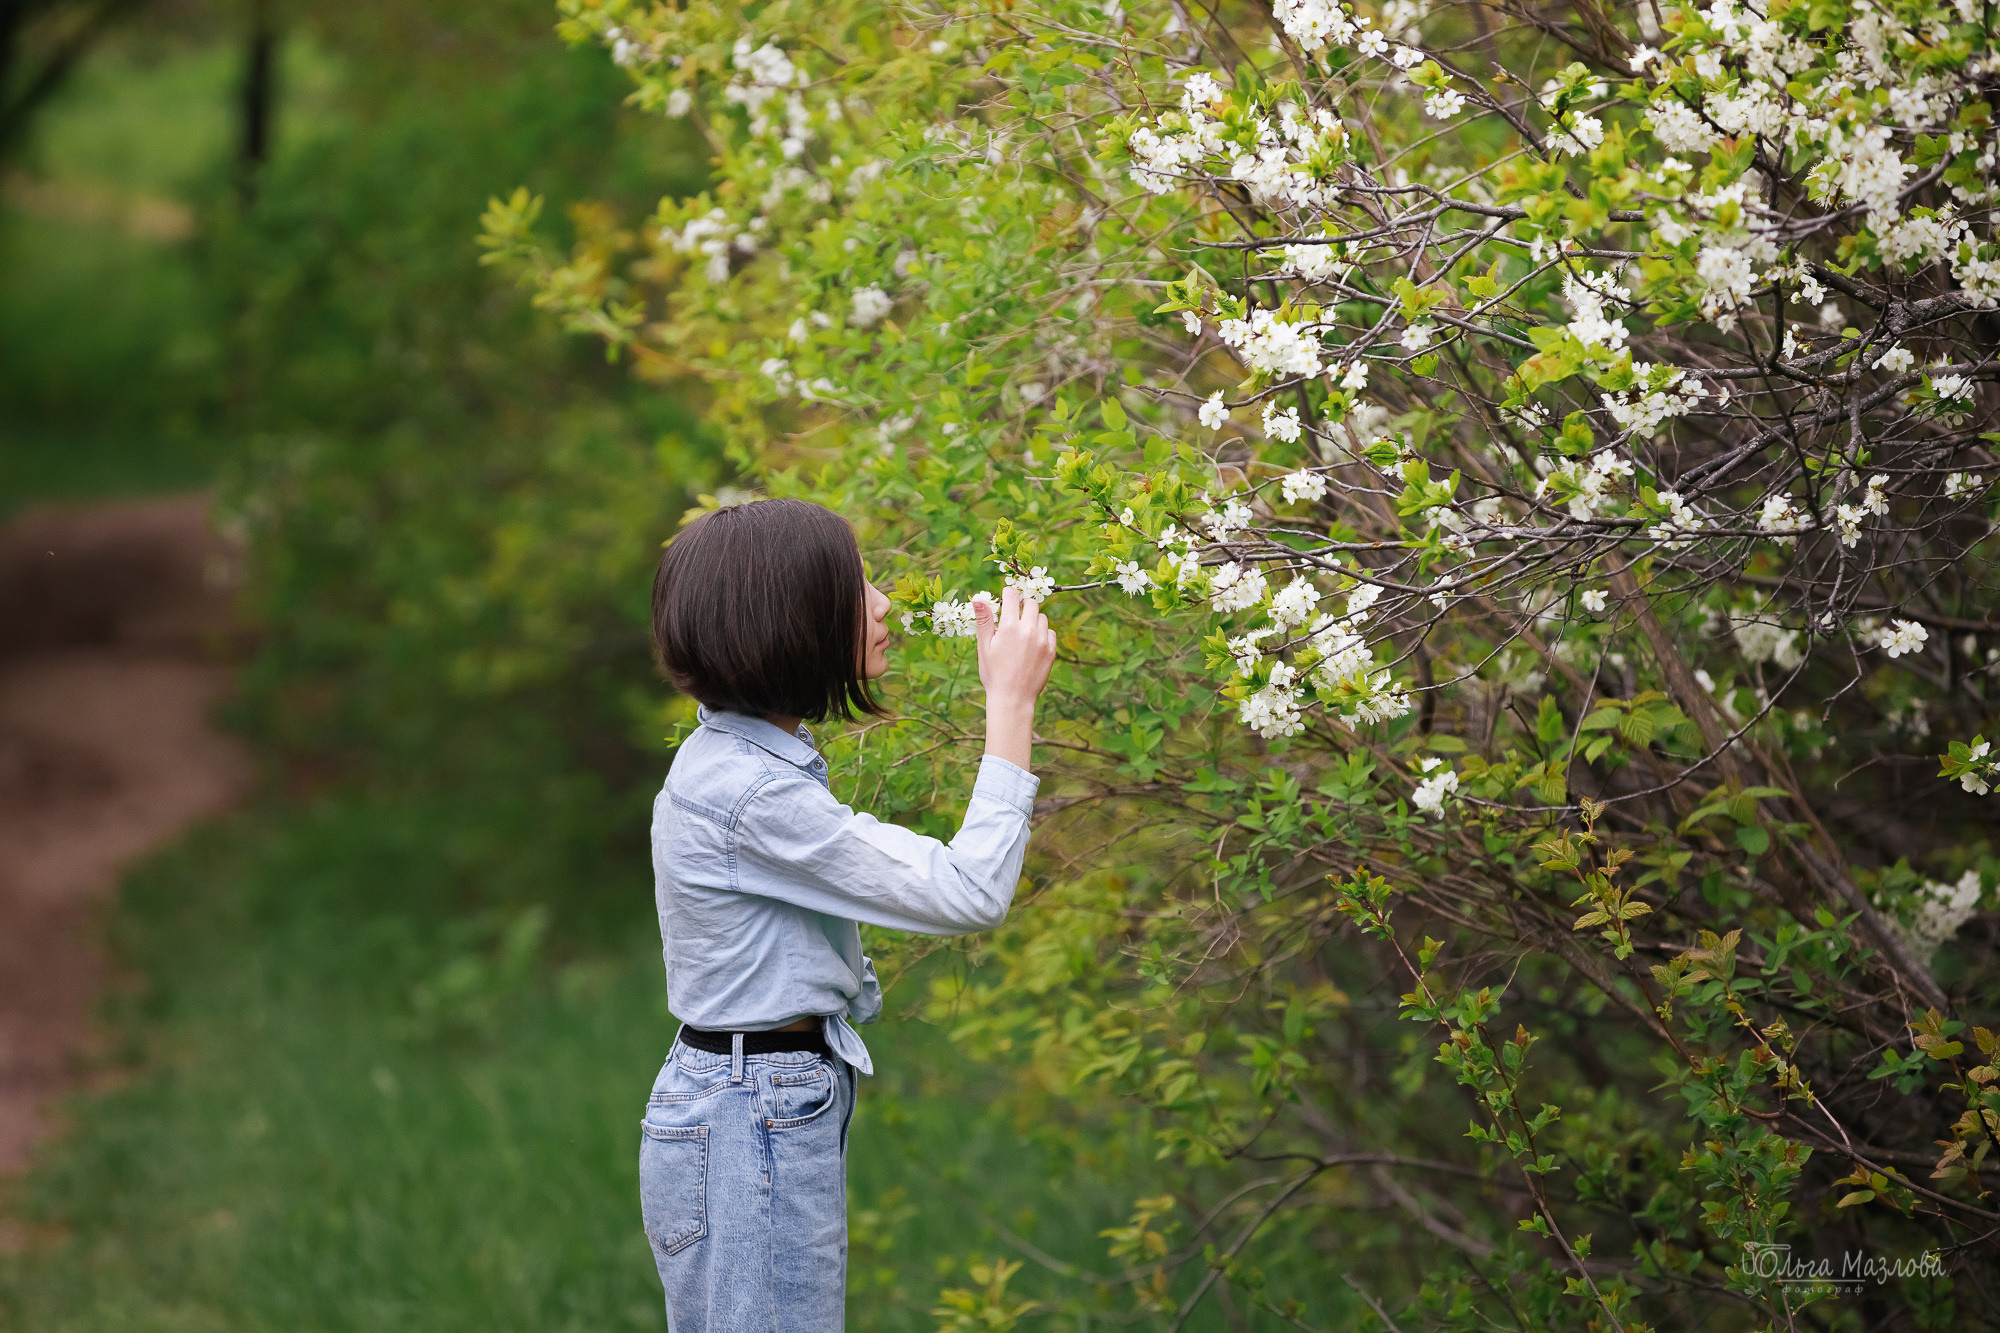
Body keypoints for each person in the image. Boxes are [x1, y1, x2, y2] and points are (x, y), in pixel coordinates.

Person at [639, 497, 1058, 1330]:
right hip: (747, 1111)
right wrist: (1009, 706)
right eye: (858, 583)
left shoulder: (735, 763)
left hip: (745, 1098)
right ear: (789, 619)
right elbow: (968, 890)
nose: (883, 604)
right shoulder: (750, 791)